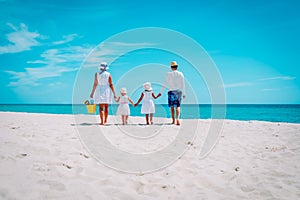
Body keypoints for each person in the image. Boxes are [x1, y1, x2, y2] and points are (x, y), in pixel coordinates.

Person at [159, 61, 185, 126]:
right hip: (178, 91)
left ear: (171, 67)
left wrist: (161, 92)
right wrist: (184, 93)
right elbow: (183, 84)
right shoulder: (180, 74)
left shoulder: (168, 74)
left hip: (171, 92)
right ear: (177, 66)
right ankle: (178, 119)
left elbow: (164, 83)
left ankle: (173, 120)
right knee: (178, 106)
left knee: (172, 107)